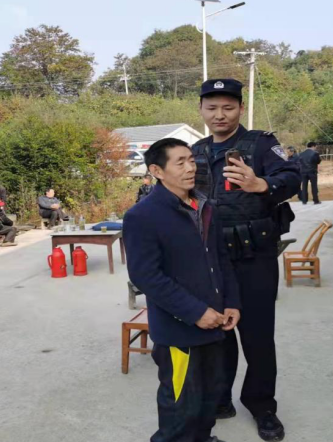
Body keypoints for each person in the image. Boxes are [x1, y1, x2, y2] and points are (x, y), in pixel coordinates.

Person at [192, 79, 300, 441]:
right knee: (218, 332)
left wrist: (261, 185)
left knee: (257, 336)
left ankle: (262, 405)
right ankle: (221, 398)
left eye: (228, 107)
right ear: (201, 110)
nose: (219, 115)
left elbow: (292, 176)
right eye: (212, 108)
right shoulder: (194, 151)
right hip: (210, 258)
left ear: (240, 108)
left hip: (254, 256)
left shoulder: (261, 144)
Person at [123, 138, 241, 442]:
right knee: (180, 408)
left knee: (209, 399)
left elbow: (220, 259)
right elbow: (146, 276)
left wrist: (231, 302)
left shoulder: (205, 206)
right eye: (180, 162)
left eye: (191, 160)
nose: (191, 168)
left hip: (216, 323)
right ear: (157, 171)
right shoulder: (143, 216)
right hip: (180, 332)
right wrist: (196, 312)